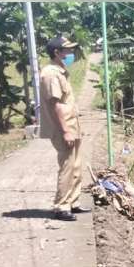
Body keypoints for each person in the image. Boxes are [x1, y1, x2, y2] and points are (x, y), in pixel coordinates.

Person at [39, 36, 87, 221]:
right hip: (63, 127)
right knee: (67, 166)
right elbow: (56, 105)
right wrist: (65, 130)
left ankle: (73, 202)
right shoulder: (51, 73)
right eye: (67, 51)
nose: (70, 54)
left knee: (75, 165)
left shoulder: (60, 71)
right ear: (57, 53)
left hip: (71, 124)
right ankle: (61, 206)